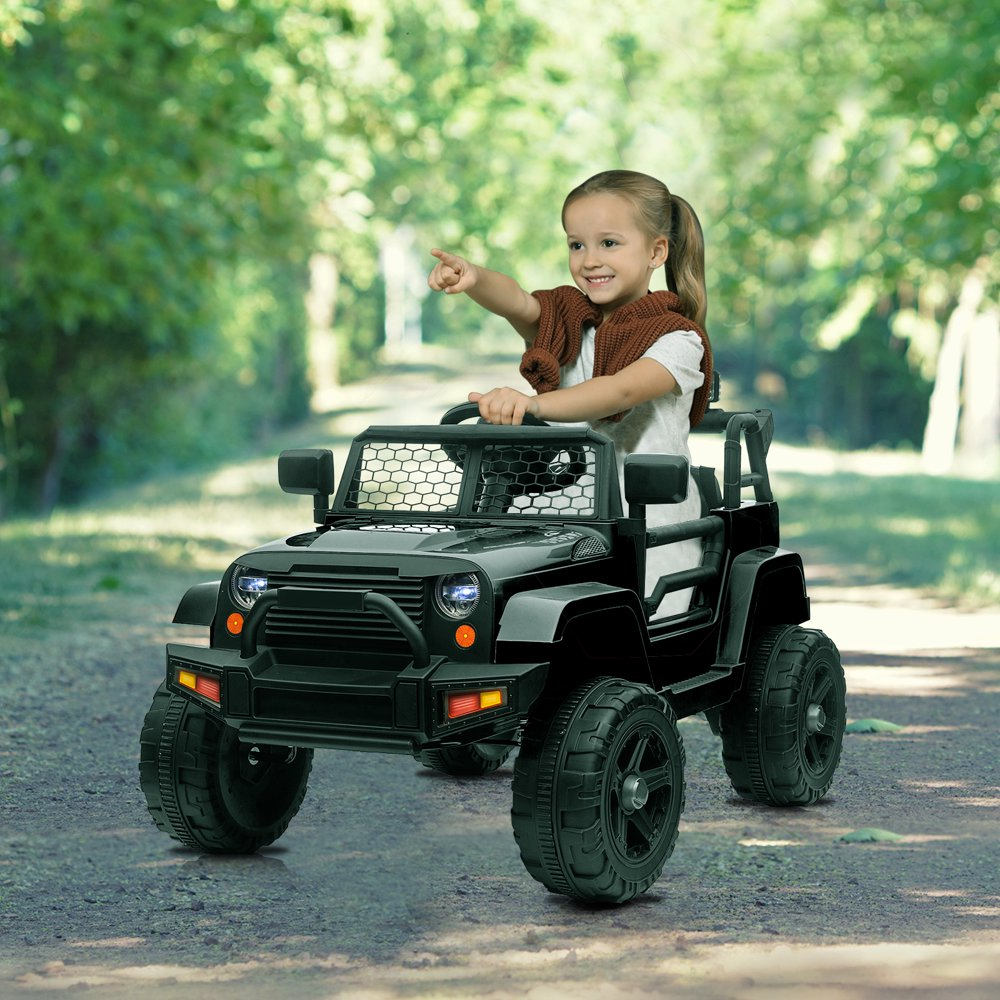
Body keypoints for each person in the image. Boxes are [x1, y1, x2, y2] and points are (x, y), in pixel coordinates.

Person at [427, 169, 713, 617]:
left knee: (623, 616)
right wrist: (475, 278)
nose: (589, 259)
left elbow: (617, 392)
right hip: (560, 514)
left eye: (609, 243)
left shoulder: (678, 341)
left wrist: (533, 405)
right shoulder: (566, 321)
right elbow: (519, 301)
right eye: (576, 244)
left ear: (657, 251)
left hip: (645, 521)